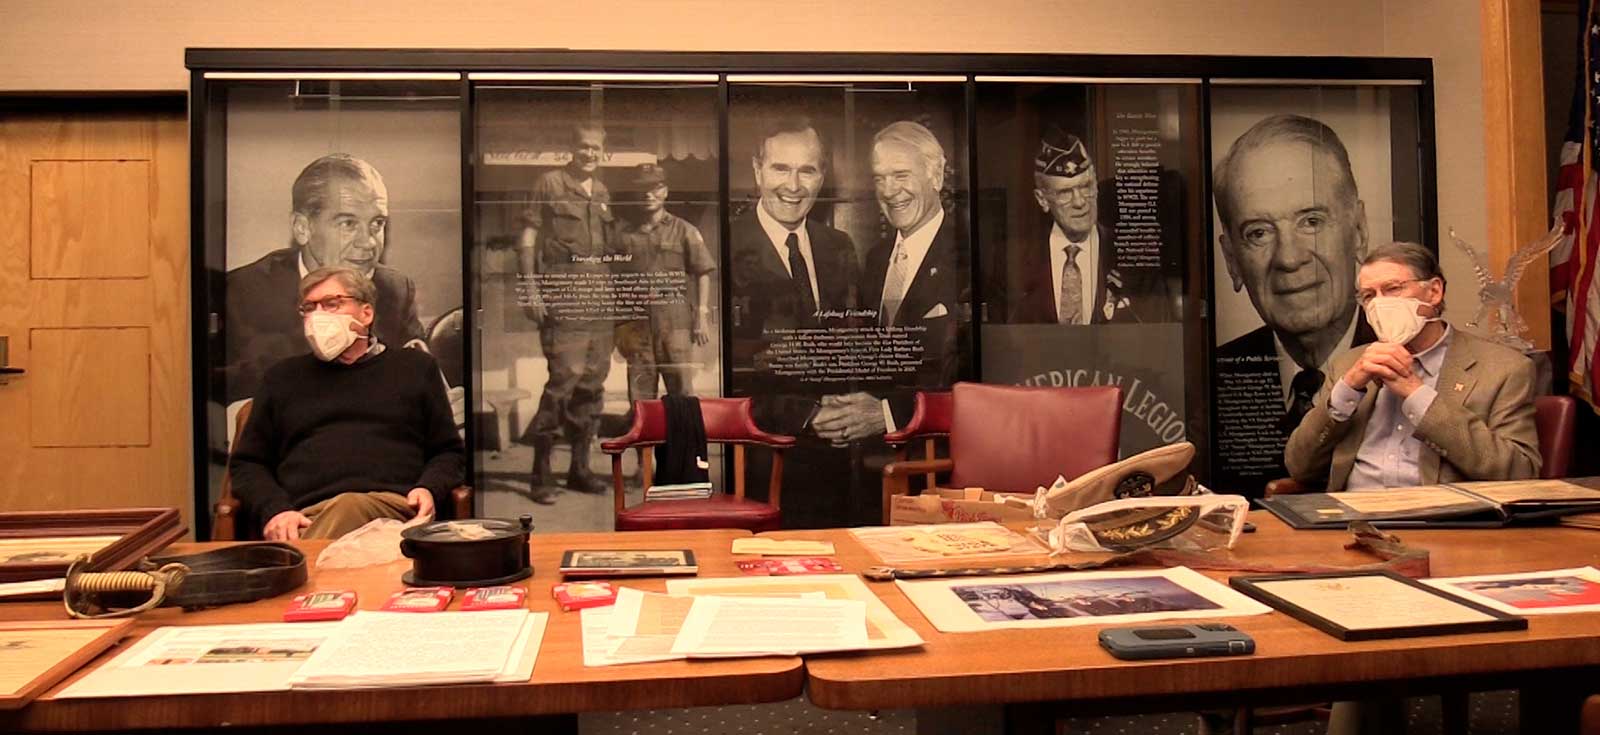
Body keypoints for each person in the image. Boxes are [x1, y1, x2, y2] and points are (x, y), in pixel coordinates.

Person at [230, 267, 464, 541]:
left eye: (332, 304)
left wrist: (428, 488)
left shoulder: (415, 369)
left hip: (393, 510)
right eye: (309, 307)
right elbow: (248, 465)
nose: (318, 316)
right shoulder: (282, 378)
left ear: (367, 313)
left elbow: (448, 453)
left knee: (349, 505)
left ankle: (302, 568)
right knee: (339, 515)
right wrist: (276, 511)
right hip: (306, 516)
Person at [1284, 241, 1540, 490]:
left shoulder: (1502, 369)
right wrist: (1347, 390)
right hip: (1353, 517)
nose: (1379, 303)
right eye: (1369, 296)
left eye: (1393, 289)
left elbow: (1520, 472)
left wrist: (1417, 395)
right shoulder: (1348, 364)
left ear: (1434, 291)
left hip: (1442, 523)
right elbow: (1299, 466)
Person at [1210, 115, 1376, 493]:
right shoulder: (1210, 384)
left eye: (1311, 221)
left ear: (1359, 231)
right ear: (1232, 261)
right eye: (1259, 233)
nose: (1289, 258)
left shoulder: (1414, 368)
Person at [728, 116, 861, 528]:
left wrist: (855, 409)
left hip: (838, 454)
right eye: (780, 168)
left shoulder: (839, 247)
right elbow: (721, 372)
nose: (794, 185)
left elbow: (854, 343)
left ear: (822, 177)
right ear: (757, 170)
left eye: (807, 170)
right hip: (756, 456)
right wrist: (804, 415)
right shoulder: (724, 245)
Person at [223, 154, 425, 402]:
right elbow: (216, 391)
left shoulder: (396, 290)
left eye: (377, 223)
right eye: (348, 223)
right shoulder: (243, 292)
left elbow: (421, 378)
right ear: (302, 228)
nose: (369, 242)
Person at [813, 120, 967, 444]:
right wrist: (843, 405)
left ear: (936, 177)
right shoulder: (876, 259)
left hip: (942, 453)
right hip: (880, 459)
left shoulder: (969, 254)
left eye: (900, 175)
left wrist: (886, 413)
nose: (887, 190)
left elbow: (970, 376)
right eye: (879, 178)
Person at [517, 123, 615, 497]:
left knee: (592, 385)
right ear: (571, 149)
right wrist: (530, 289)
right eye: (584, 147)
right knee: (563, 382)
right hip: (565, 298)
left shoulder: (602, 191)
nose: (590, 153)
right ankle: (540, 473)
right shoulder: (549, 183)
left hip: (600, 300)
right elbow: (527, 238)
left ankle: (579, 468)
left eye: (596, 149)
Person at [1010, 126, 1171, 324]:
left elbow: (1156, 336)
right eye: (1065, 192)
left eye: (1085, 187)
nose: (1079, 202)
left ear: (1095, 184)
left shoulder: (1135, 258)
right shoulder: (1015, 262)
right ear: (1042, 199)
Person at [612, 163, 716, 404]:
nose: (649, 194)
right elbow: (612, 280)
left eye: (655, 188)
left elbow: (702, 272)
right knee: (640, 395)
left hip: (675, 320)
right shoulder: (622, 235)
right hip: (636, 321)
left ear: (665, 191)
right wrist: (616, 327)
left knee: (681, 389)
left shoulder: (684, 231)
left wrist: (701, 315)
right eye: (642, 189)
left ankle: (681, 441)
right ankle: (646, 442)